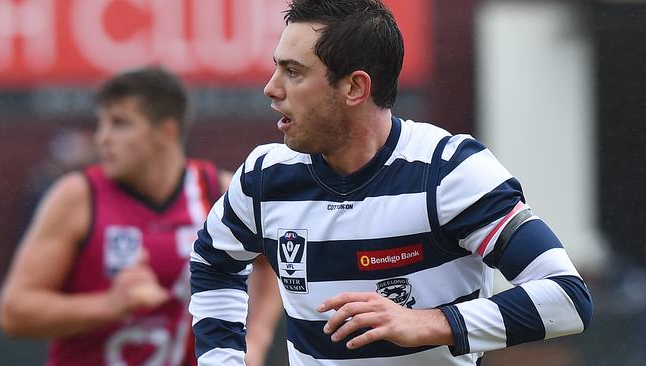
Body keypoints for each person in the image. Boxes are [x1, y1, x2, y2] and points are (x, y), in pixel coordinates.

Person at [188, 0, 593, 365]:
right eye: (277, 67)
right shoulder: (264, 176)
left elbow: (568, 297)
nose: (271, 89)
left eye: (293, 72)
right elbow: (213, 265)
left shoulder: (449, 171)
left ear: (355, 87)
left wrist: (431, 323)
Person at [0, 67, 281, 366]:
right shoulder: (78, 197)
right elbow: (14, 312)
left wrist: (255, 340)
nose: (103, 138)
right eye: (101, 124)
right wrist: (109, 305)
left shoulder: (215, 192)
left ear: (166, 131)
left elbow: (267, 265)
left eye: (120, 123)